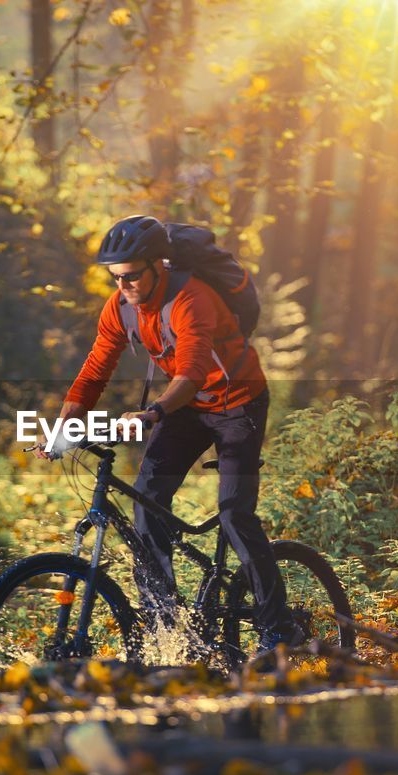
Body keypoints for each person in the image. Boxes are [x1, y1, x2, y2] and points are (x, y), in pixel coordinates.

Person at [42, 215, 304, 651]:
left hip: (238, 403)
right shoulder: (120, 307)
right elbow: (94, 370)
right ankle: (167, 621)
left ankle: (280, 629)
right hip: (187, 410)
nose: (122, 286)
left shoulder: (191, 299)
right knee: (146, 501)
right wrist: (63, 427)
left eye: (131, 277)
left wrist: (152, 412)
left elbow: (194, 373)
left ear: (157, 265)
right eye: (115, 278)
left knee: (234, 514)